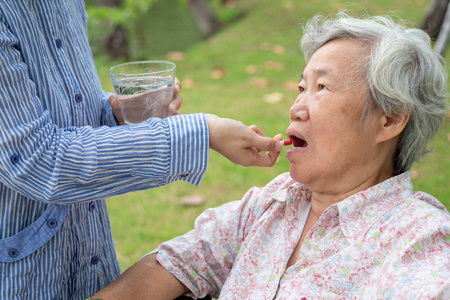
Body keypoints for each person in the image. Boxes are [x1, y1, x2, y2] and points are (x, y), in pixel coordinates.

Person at [92, 11, 450, 299]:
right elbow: (174, 264)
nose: (296, 107)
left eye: (322, 87)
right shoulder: (274, 202)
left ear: (389, 119)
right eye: (301, 87)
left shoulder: (419, 240)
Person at [0, 2, 283, 299]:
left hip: (92, 265)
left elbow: (72, 108)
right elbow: (36, 160)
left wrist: (121, 114)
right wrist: (202, 133)